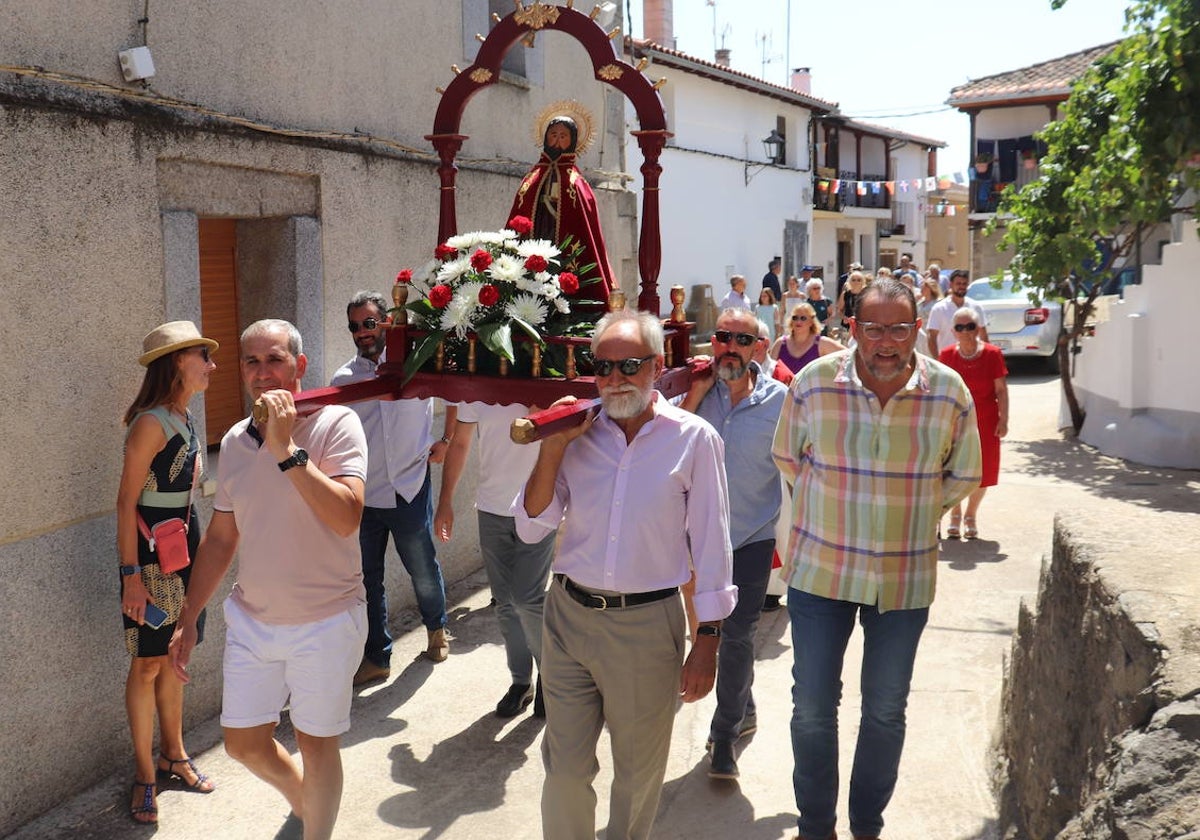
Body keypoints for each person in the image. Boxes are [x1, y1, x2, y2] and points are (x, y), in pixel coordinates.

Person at [772, 278, 982, 840]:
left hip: (904, 577)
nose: (885, 341)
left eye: (897, 328)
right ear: (852, 329)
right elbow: (788, 458)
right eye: (872, 328)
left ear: (917, 329)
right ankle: (817, 827)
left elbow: (963, 474)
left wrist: (909, 511)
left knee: (885, 710)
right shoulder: (814, 385)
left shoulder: (949, 392)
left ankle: (867, 826)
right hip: (821, 573)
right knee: (813, 708)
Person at [515, 309, 736, 840]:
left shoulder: (694, 439)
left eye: (629, 365)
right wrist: (553, 449)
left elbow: (711, 546)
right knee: (565, 771)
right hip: (568, 616)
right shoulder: (575, 432)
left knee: (636, 777)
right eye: (603, 367)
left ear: (657, 367)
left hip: (646, 627)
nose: (615, 379)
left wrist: (707, 640)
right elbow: (530, 527)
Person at [170, 319, 369, 840]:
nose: (263, 374)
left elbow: (347, 517)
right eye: (252, 362)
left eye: (275, 360)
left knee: (317, 742)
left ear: (300, 366)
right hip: (254, 620)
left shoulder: (337, 424)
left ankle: (316, 827)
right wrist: (189, 617)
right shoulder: (235, 440)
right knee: (242, 742)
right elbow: (219, 539)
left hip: (325, 620)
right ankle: (306, 801)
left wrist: (286, 450)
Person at [681, 308, 787, 781]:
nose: (730, 346)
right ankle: (743, 704)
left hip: (751, 537)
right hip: (697, 539)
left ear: (759, 349)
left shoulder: (781, 401)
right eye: (722, 337)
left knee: (738, 634)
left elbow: (803, 464)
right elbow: (661, 445)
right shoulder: (695, 393)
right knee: (708, 635)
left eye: (741, 339)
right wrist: (696, 395)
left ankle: (723, 736)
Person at [118, 321, 218, 824]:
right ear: (179, 360)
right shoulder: (151, 423)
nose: (213, 365)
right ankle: (144, 774)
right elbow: (124, 506)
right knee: (147, 664)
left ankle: (173, 755)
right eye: (205, 355)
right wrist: (131, 576)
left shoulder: (185, 416)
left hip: (184, 549)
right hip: (150, 558)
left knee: (176, 653)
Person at [330, 291, 456, 683]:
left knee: (421, 568)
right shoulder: (343, 380)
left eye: (369, 323)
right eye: (354, 326)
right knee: (368, 580)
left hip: (409, 485)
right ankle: (377, 657)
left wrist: (446, 441)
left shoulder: (418, 363)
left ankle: (436, 630)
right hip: (365, 495)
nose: (362, 333)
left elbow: (453, 392)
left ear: (386, 321)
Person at [433, 400, 556, 718]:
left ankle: (552, 680)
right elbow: (460, 444)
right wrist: (445, 501)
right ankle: (521, 683)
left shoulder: (547, 376)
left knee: (527, 599)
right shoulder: (479, 386)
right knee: (505, 603)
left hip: (538, 507)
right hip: (492, 508)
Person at [509, 114, 614, 303]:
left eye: (563, 136)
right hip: (538, 231)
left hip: (562, 239)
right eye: (553, 134)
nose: (557, 140)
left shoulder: (576, 180)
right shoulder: (533, 176)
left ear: (572, 141)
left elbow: (584, 220)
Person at [939, 307, 1009, 540]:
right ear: (953, 331)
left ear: (978, 328)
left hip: (985, 420)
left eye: (970, 326)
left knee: (983, 470)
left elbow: (1001, 389)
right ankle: (955, 514)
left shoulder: (992, 354)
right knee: (953, 468)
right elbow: (942, 391)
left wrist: (1004, 419)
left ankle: (971, 515)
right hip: (954, 422)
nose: (966, 332)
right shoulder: (947, 355)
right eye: (960, 327)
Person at [927, 269, 989, 356]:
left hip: (973, 358)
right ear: (951, 285)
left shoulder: (976, 307)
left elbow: (983, 335)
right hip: (948, 361)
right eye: (958, 283)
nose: (961, 287)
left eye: (964, 284)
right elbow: (932, 337)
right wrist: (938, 360)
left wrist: (985, 357)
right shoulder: (939, 309)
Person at [769, 303, 844, 375]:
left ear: (811, 322)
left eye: (803, 318)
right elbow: (769, 371)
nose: (798, 321)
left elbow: (848, 356)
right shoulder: (780, 343)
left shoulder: (821, 343)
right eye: (795, 318)